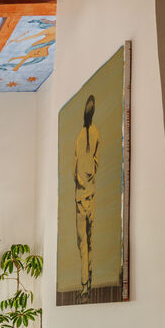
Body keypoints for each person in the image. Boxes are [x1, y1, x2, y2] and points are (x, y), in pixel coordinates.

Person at [73, 94, 99, 301]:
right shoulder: (93, 133)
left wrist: (82, 181)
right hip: (90, 194)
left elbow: (76, 169)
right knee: (88, 243)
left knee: (84, 244)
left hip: (82, 196)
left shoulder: (82, 136)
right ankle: (87, 283)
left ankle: (84, 286)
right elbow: (94, 163)